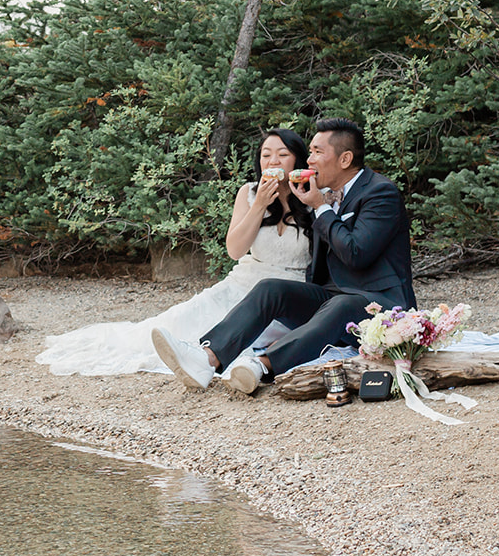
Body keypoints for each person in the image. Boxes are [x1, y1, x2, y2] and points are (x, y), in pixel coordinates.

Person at [151, 117, 414, 395]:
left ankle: (261, 365)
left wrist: (320, 208)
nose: (309, 160)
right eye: (309, 151)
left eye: (316, 152)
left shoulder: (380, 193)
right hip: (333, 298)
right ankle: (207, 359)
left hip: (380, 306)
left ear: (345, 159)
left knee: (341, 306)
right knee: (271, 288)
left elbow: (356, 254)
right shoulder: (321, 192)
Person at [34, 129, 314, 376]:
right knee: (182, 320)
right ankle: (185, 354)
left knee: (244, 335)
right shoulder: (249, 193)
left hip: (288, 292)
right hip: (243, 282)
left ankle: (212, 359)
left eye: (282, 155)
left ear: (298, 160)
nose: (273, 162)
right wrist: (259, 206)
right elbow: (234, 250)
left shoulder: (313, 196)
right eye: (266, 155)